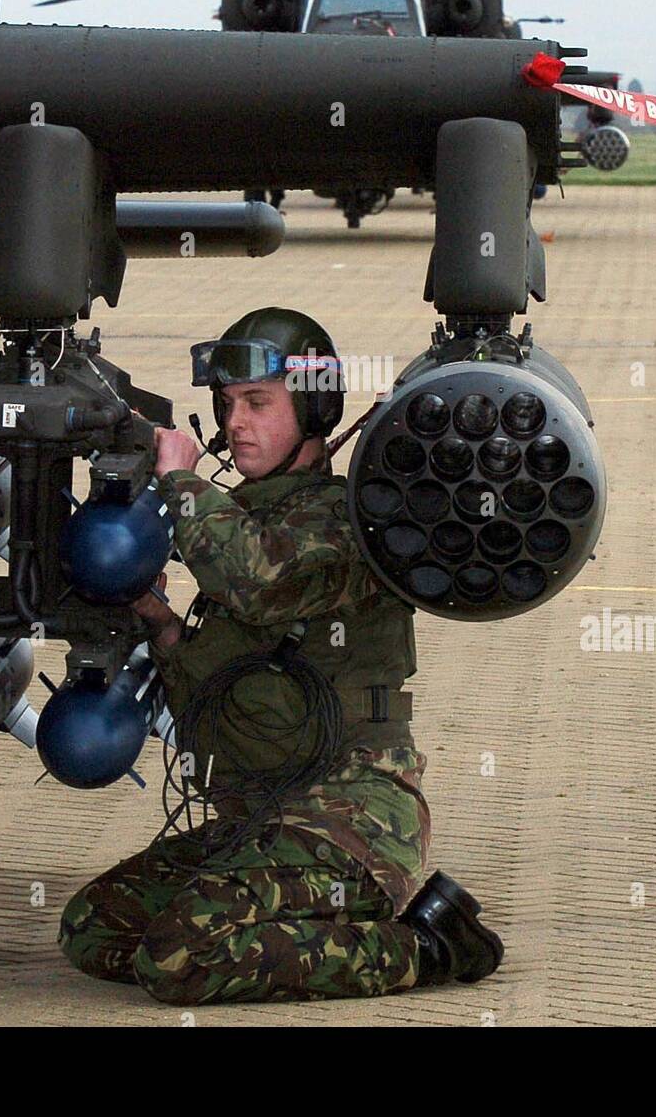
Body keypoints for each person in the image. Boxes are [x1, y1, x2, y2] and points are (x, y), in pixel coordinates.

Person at [58, 307, 503, 1005]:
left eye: (258, 404)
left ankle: (424, 946)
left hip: (351, 821)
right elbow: (216, 694)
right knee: (91, 928)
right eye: (227, 405)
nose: (236, 424)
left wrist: (180, 483)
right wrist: (158, 619)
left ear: (316, 409)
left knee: (179, 956)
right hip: (263, 816)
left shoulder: (352, 521)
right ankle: (308, 924)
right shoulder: (245, 520)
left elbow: (262, 580)